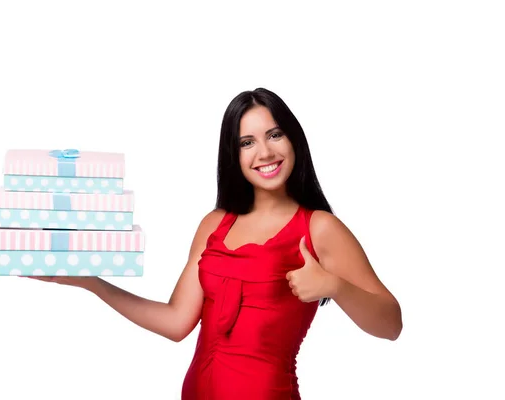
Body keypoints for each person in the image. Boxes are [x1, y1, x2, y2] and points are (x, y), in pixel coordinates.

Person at [27, 88, 403, 399]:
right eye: (247, 142)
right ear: (233, 153)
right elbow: (176, 322)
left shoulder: (319, 228)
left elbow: (391, 325)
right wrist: (90, 282)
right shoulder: (214, 224)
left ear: (294, 139)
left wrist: (333, 286)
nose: (265, 152)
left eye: (275, 135)